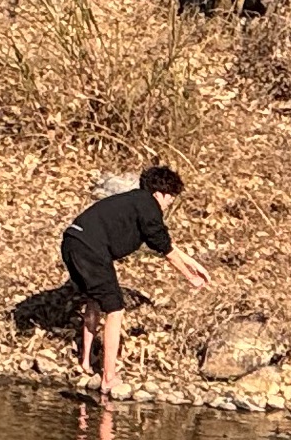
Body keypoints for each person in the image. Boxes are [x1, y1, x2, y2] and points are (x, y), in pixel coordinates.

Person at [61, 163, 206, 401]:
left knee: (94, 299)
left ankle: (86, 362)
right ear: (160, 193)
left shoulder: (133, 201)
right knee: (115, 309)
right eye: (171, 198)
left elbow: (162, 242)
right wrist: (189, 276)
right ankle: (109, 378)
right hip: (90, 249)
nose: (170, 203)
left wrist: (192, 262)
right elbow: (162, 245)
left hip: (72, 241)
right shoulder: (149, 205)